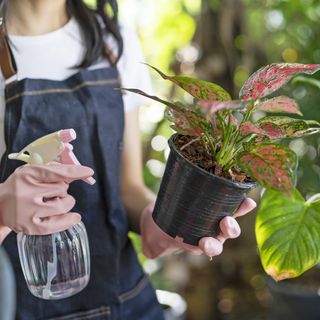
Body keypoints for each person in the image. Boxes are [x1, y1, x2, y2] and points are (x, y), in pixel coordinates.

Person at [0, 0, 257, 319]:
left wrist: (161, 223)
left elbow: (128, 189)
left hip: (126, 300)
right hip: (19, 306)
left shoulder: (112, 40)